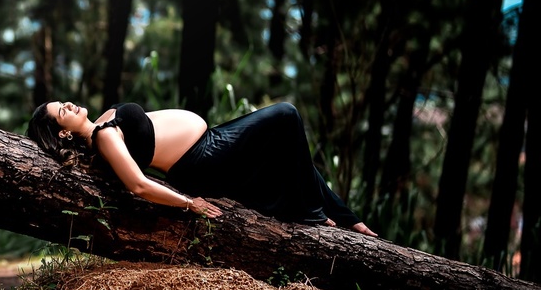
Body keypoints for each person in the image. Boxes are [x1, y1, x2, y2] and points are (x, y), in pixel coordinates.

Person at [27, 99, 377, 236]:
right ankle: (312, 214)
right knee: (286, 115)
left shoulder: (103, 124)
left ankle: (347, 219)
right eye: (62, 111)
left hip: (210, 143)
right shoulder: (104, 138)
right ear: (62, 131)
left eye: (63, 101)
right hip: (203, 160)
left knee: (287, 152)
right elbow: (137, 185)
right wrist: (188, 202)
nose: (69, 104)